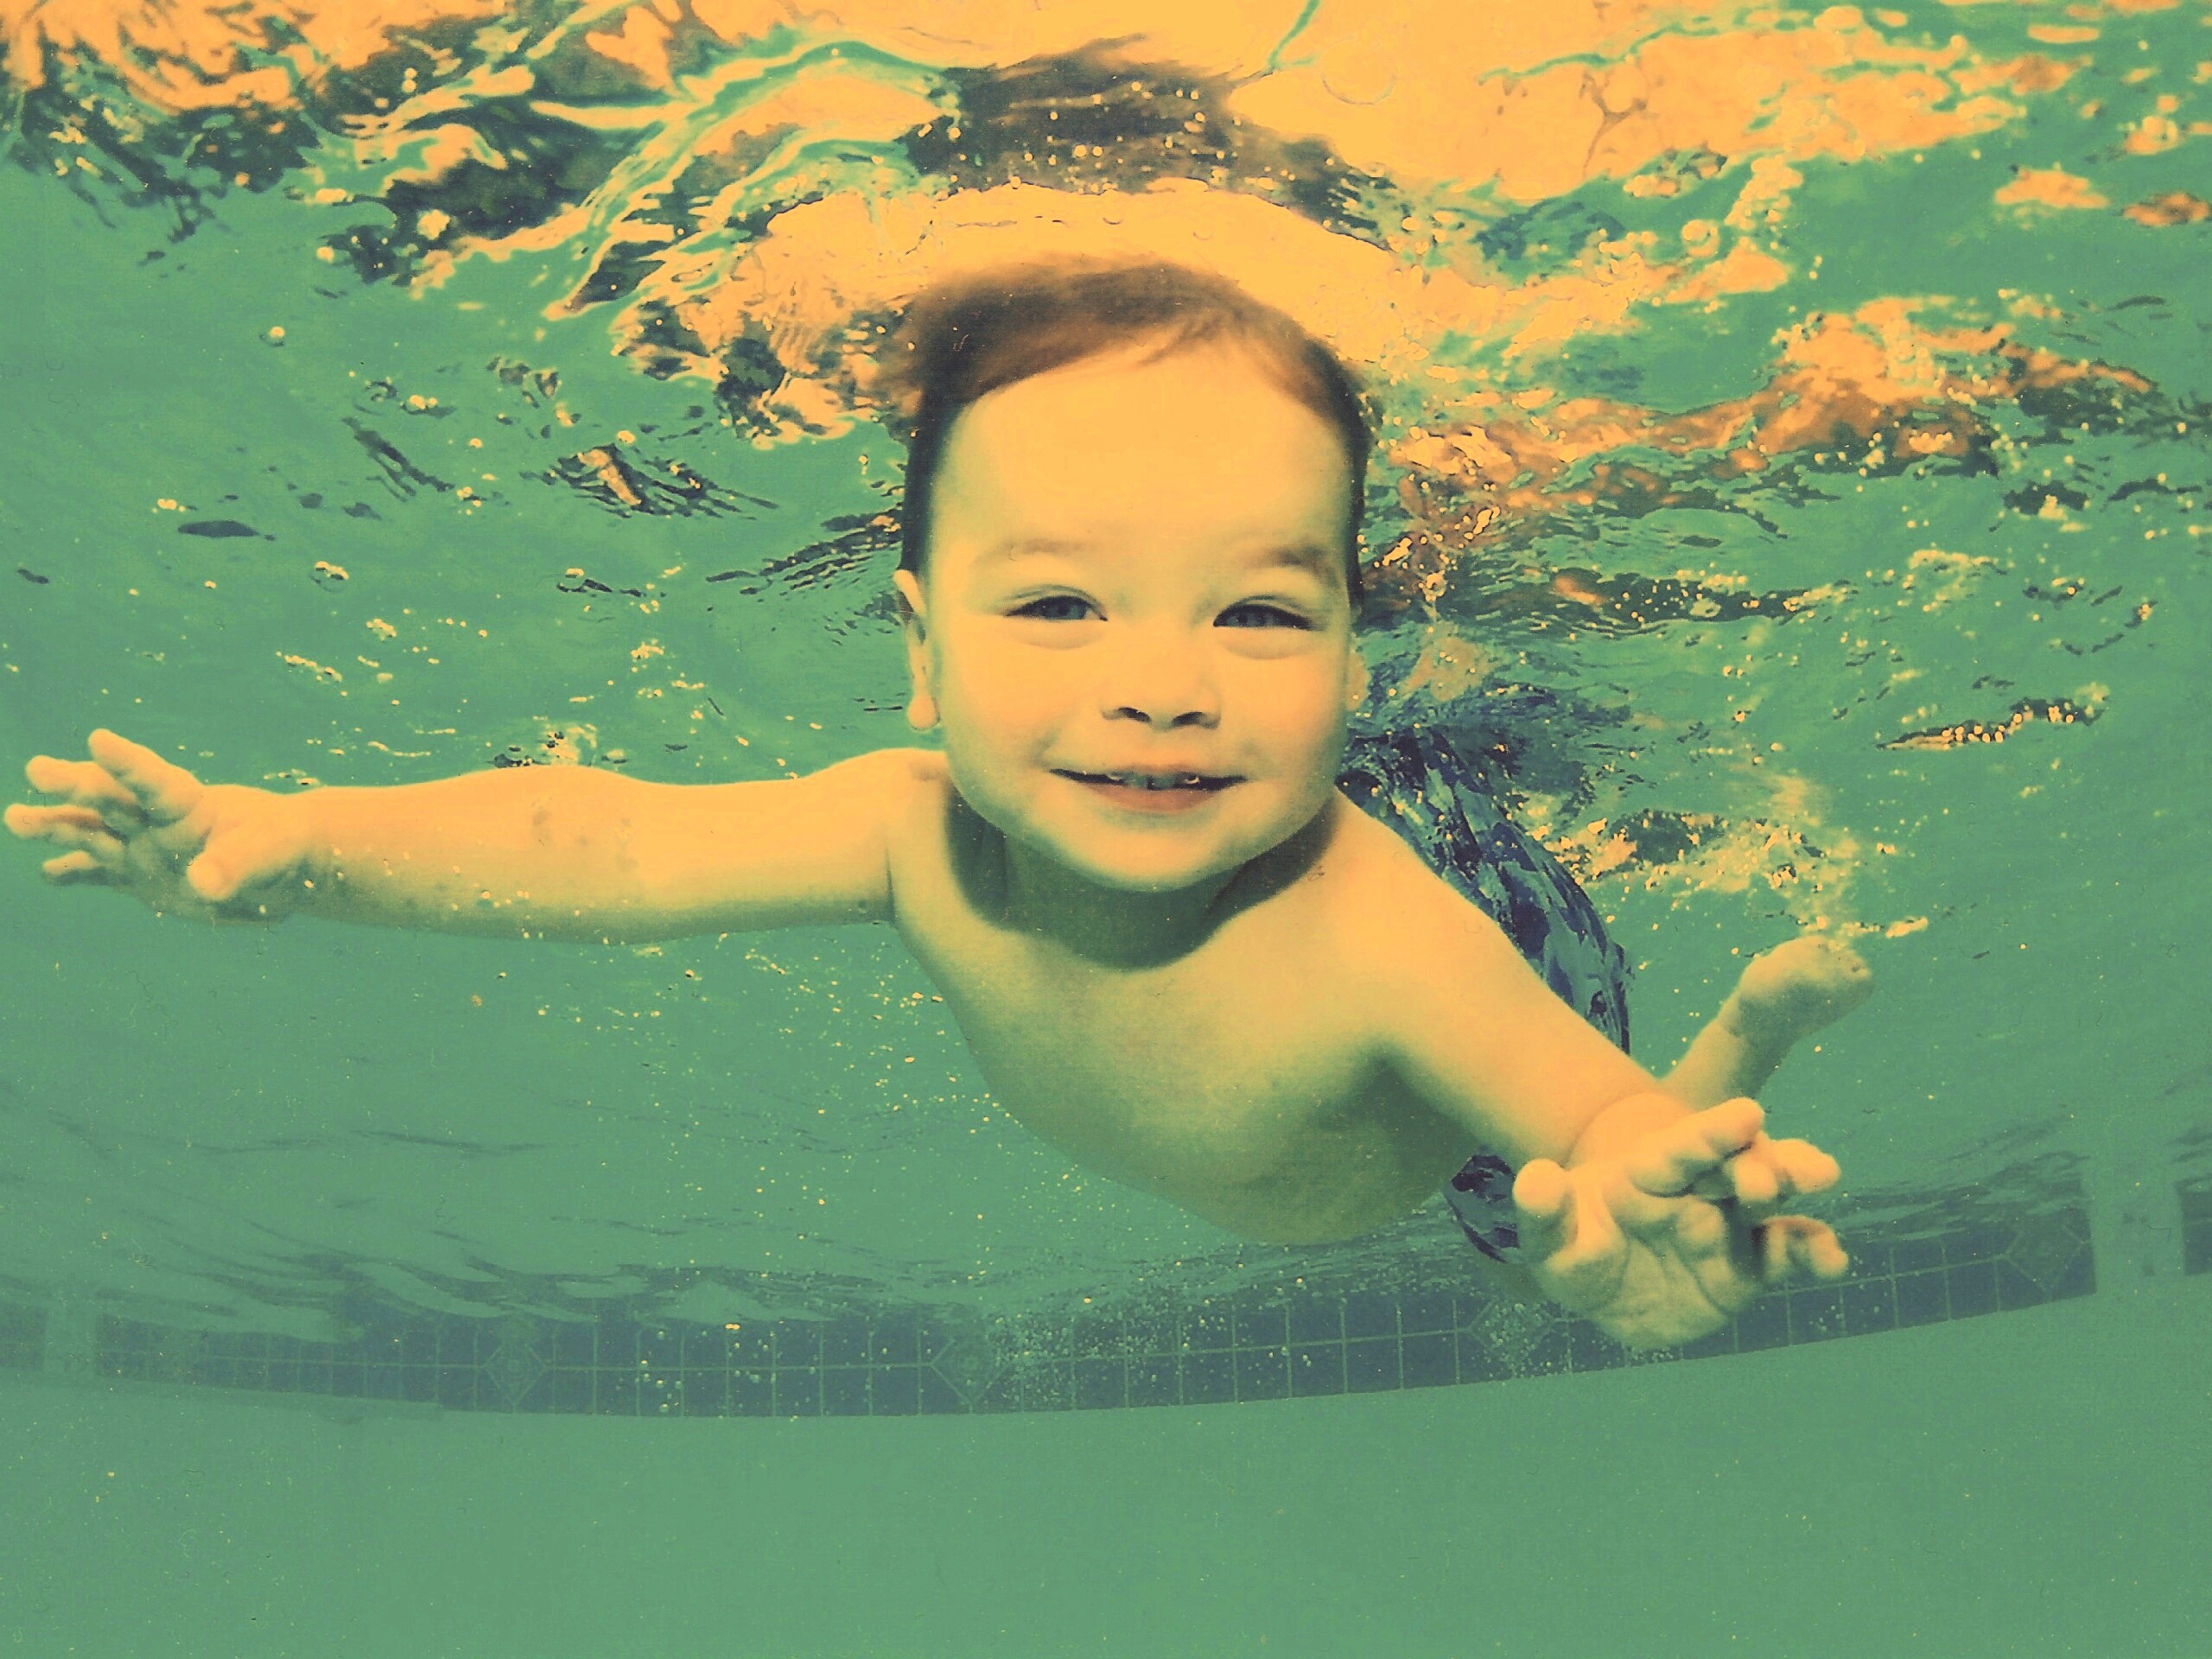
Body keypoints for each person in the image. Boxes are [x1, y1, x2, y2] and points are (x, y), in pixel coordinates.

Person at [4, 257, 1874, 1351]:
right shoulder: (915, 830)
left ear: (1348, 644)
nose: (1163, 682)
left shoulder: (1376, 926)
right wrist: (302, 839)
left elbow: (1591, 1122)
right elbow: (612, 838)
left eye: (1257, 611)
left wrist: (1655, 1194)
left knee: (1543, 1230)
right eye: (1058, 605)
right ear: (917, 649)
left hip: (1473, 1063)